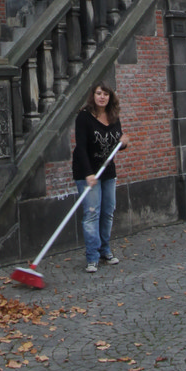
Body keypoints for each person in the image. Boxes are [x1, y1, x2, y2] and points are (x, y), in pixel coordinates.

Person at [73, 82, 128, 273]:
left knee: (108, 211)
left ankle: (105, 250)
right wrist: (88, 173)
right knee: (91, 214)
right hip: (87, 172)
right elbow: (80, 148)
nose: (102, 97)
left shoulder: (113, 116)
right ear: (93, 96)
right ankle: (92, 257)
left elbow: (115, 142)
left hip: (107, 172)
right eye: (98, 93)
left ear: (110, 97)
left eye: (105, 94)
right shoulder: (84, 117)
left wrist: (123, 143)